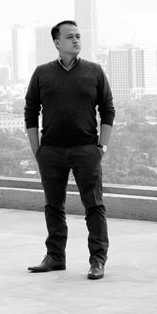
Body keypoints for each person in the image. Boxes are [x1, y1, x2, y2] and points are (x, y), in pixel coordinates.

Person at [24, 20, 114, 279]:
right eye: (70, 37)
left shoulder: (94, 71)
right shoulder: (42, 73)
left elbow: (107, 109)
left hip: (86, 150)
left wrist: (102, 146)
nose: (76, 40)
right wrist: (37, 150)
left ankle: (97, 260)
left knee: (94, 206)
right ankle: (55, 257)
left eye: (78, 36)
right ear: (57, 43)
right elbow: (31, 112)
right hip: (51, 152)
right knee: (53, 206)